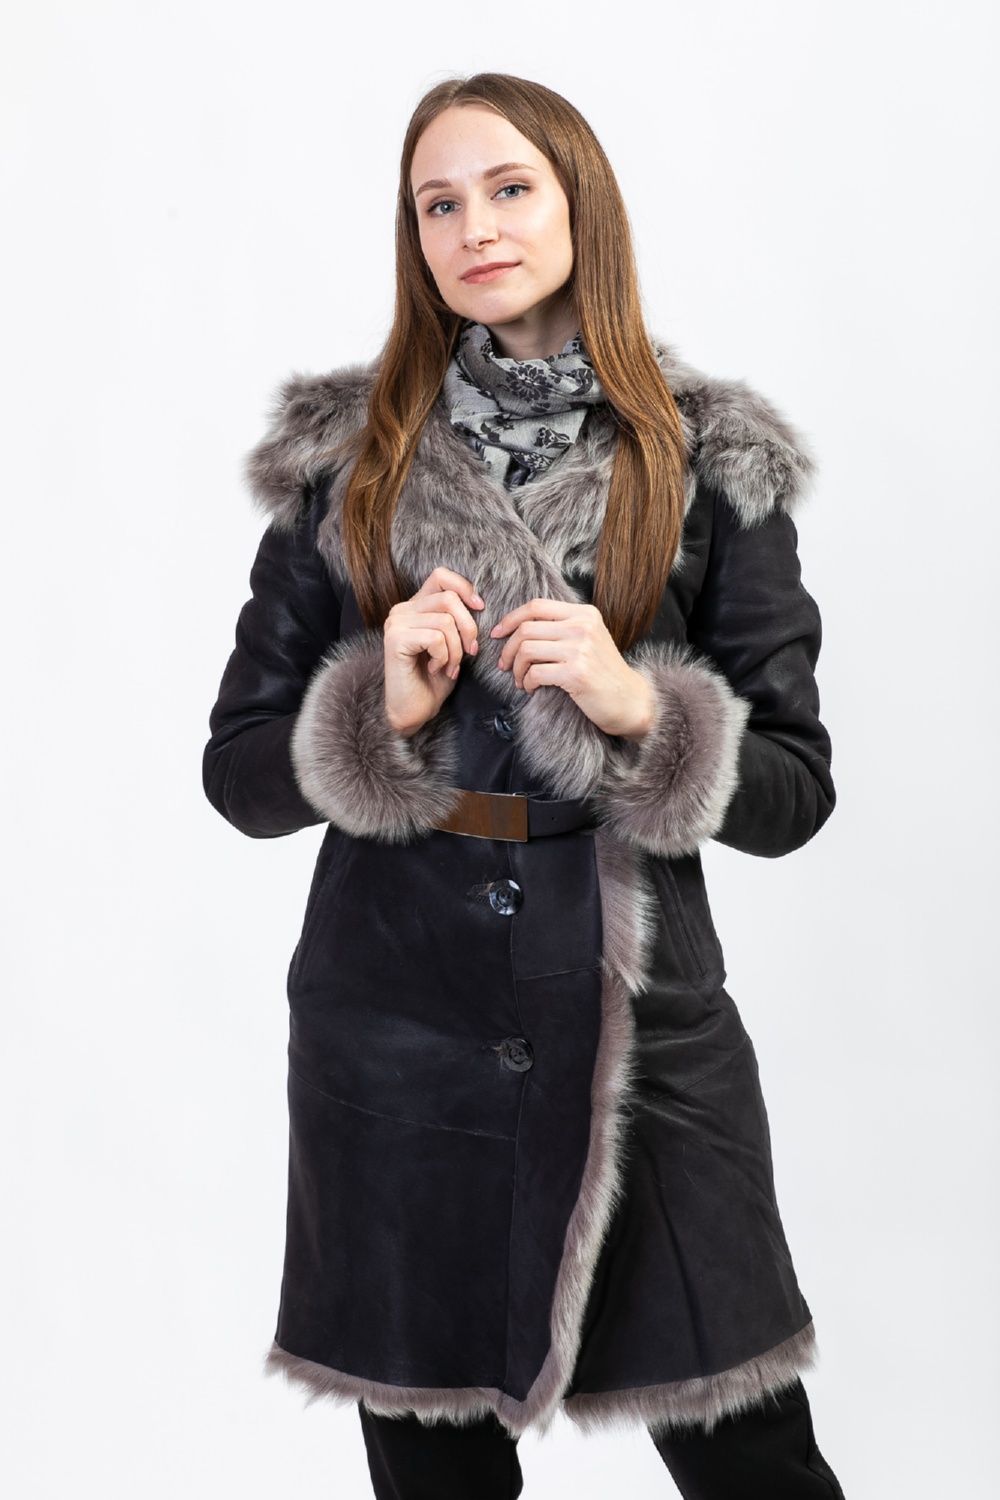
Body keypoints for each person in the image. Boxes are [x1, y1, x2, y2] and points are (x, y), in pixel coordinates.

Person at [203, 71, 846, 1499]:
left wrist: (642, 708)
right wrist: (377, 708)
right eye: (438, 204)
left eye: (507, 189)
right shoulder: (346, 464)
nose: (474, 228)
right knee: (433, 1475)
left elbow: (796, 793)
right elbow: (239, 775)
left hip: (639, 1030)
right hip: (394, 1027)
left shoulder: (708, 460)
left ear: (579, 205)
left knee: (755, 1458)